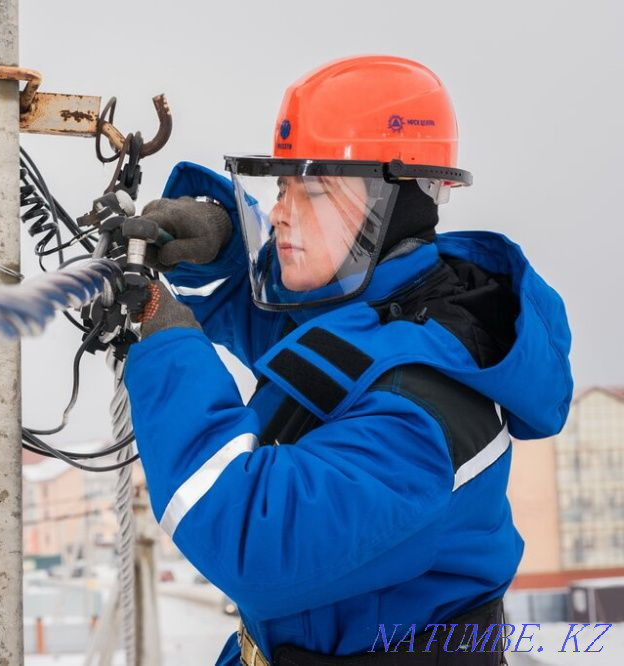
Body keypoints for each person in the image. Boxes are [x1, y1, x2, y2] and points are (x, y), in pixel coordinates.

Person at [124, 55, 573, 665]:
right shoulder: (387, 314)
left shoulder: (423, 415)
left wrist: (168, 346)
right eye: (281, 187)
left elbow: (249, 535)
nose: (280, 212)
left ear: (394, 207)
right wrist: (225, 249)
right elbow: (302, 352)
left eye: (313, 191)